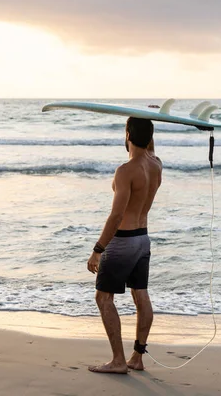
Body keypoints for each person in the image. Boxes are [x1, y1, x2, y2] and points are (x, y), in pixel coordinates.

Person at [87, 117, 162, 374]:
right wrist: (147, 122)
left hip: (123, 242)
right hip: (143, 239)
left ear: (128, 134)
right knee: (140, 294)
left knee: (103, 297)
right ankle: (137, 357)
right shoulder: (155, 164)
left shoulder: (126, 171)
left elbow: (116, 216)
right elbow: (148, 144)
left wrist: (98, 250)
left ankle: (119, 361)